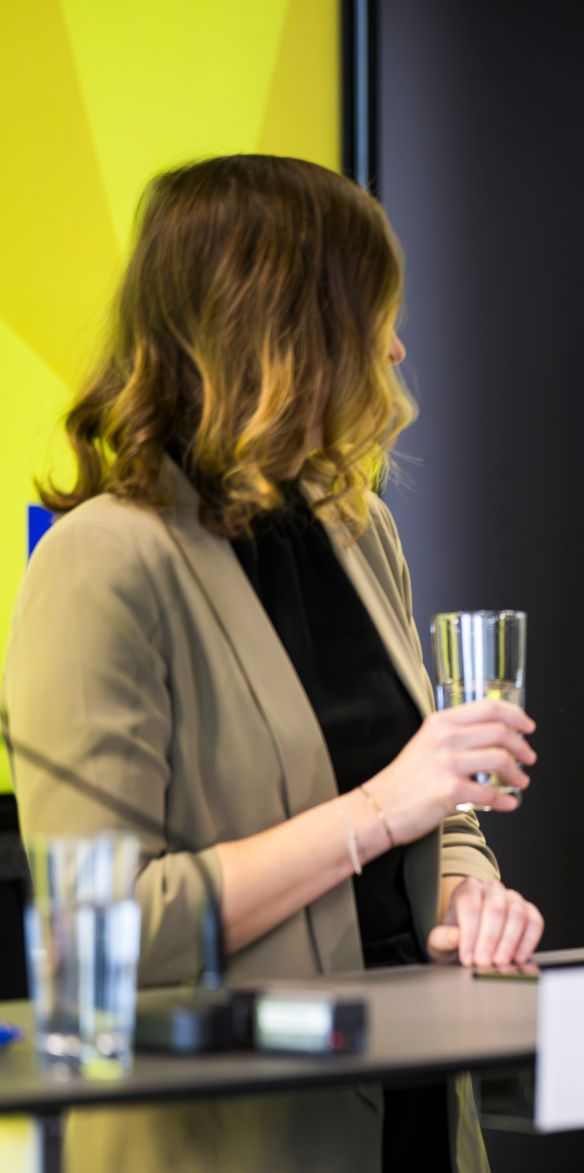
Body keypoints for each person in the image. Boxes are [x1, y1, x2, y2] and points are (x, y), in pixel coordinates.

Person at [3, 154, 544, 1173]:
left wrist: (469, 890)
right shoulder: (99, 563)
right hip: (238, 1134)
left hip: (418, 1098)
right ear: (286, 334)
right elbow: (107, 930)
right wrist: (383, 810)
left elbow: (435, 802)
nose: (393, 347)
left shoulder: (356, 527)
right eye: (370, 315)